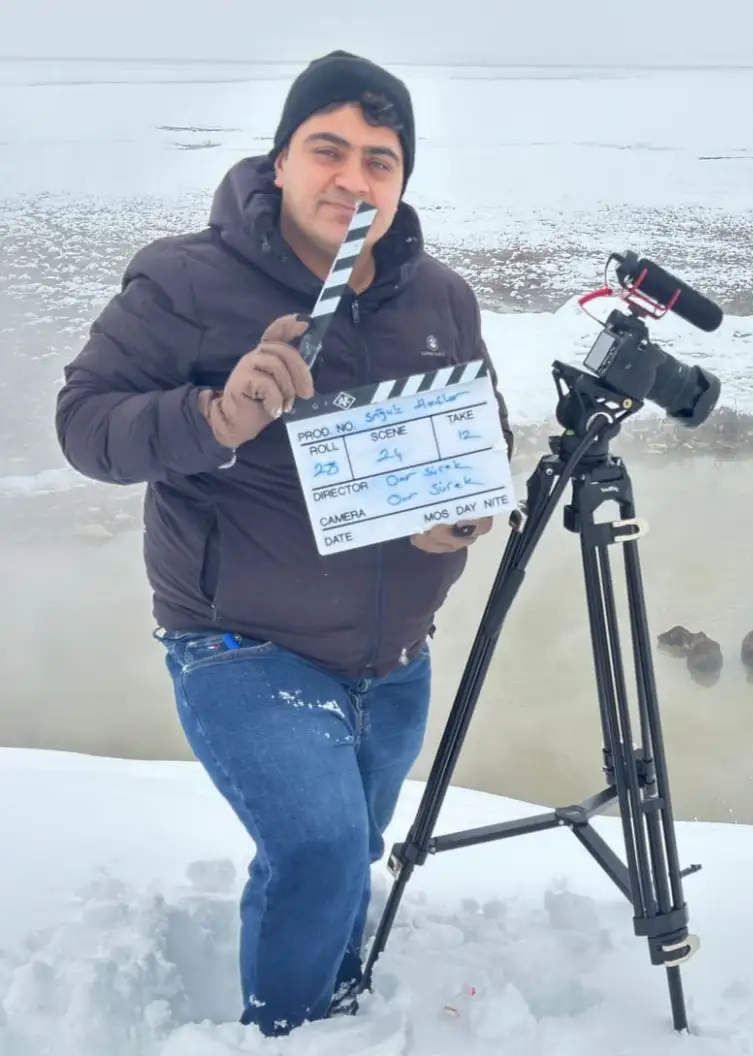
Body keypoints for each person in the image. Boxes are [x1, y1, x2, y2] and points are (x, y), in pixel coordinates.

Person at [53, 50, 513, 1037]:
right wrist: (212, 415)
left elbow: (480, 437)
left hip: (393, 657)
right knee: (319, 846)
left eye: (380, 161)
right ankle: (292, 1026)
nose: (353, 179)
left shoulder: (437, 297)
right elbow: (84, 425)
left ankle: (337, 990)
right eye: (328, 150)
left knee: (353, 844)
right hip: (241, 643)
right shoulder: (185, 280)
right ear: (279, 162)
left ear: (401, 181)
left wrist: (463, 511)